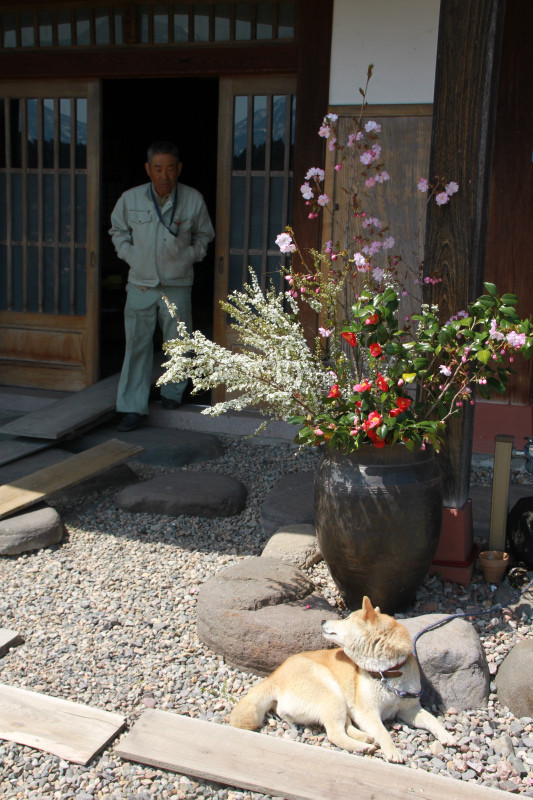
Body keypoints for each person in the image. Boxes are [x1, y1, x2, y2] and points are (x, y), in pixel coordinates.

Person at [109, 141, 215, 431]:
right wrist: (130, 255)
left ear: (179, 169)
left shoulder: (193, 199)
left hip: (178, 283)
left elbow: (205, 235)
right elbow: (117, 230)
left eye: (170, 169)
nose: (164, 175)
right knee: (136, 346)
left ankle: (172, 393)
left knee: (178, 343)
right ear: (148, 169)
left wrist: (190, 256)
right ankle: (132, 407)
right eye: (158, 169)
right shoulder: (130, 198)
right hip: (140, 285)